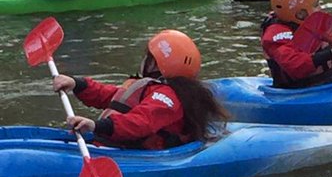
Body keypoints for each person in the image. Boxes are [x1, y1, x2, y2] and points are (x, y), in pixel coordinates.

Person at [51, 30, 226, 150]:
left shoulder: (167, 97)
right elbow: (113, 96)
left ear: (155, 64)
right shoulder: (147, 87)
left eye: (148, 57)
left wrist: (96, 125)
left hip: (134, 151)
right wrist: (78, 84)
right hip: (116, 144)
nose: (143, 60)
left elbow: (141, 122)